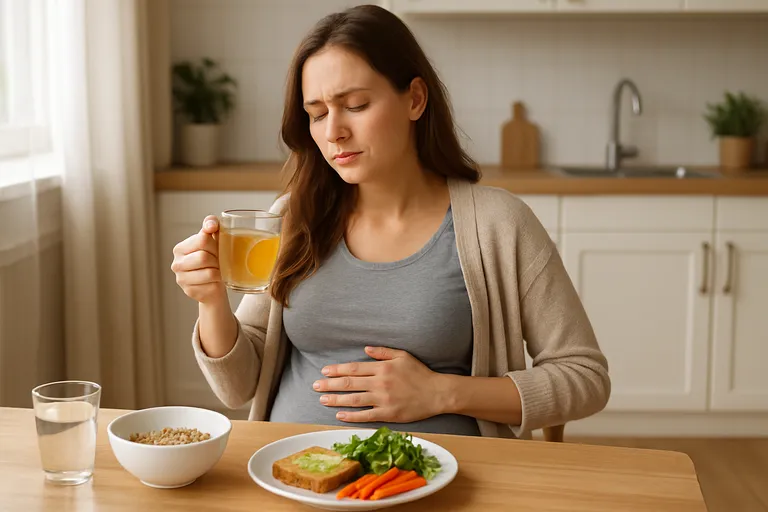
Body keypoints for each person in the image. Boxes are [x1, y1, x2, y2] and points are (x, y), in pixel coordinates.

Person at [171, 4, 609, 440]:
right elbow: (237, 388)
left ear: (415, 99)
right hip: (290, 475)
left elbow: (584, 377)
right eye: (318, 113)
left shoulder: (498, 224)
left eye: (355, 105)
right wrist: (210, 301)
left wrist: (443, 393)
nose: (333, 131)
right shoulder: (293, 216)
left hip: (445, 483)